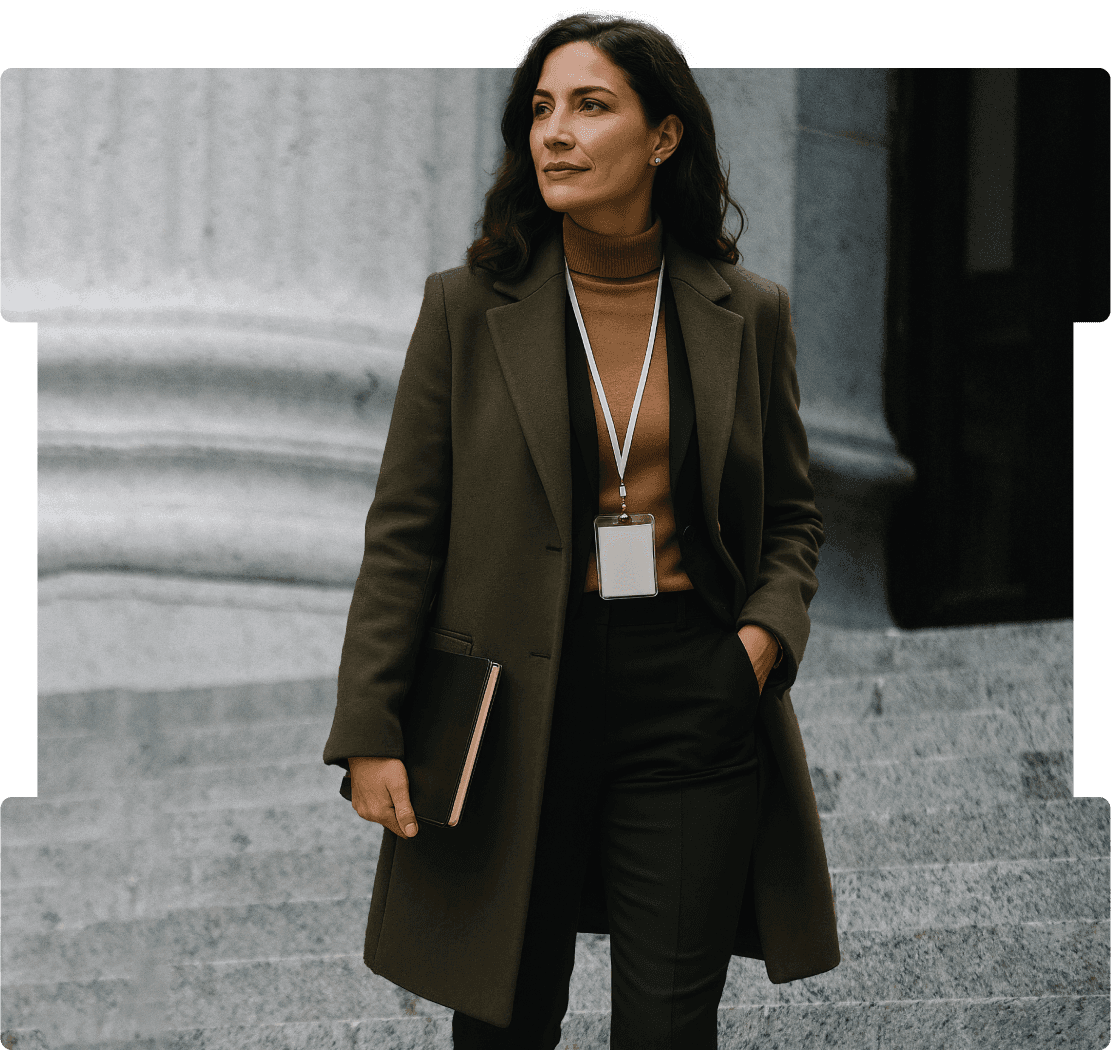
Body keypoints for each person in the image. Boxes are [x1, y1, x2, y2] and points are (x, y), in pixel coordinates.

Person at [323, 12, 840, 1049]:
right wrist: (370, 726)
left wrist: (756, 645)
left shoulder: (749, 311)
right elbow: (406, 531)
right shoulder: (467, 311)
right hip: (508, 700)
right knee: (503, 1025)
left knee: (665, 1029)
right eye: (541, 110)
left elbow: (789, 517)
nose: (553, 132)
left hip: (689, 687)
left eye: (590, 106)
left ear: (663, 136)